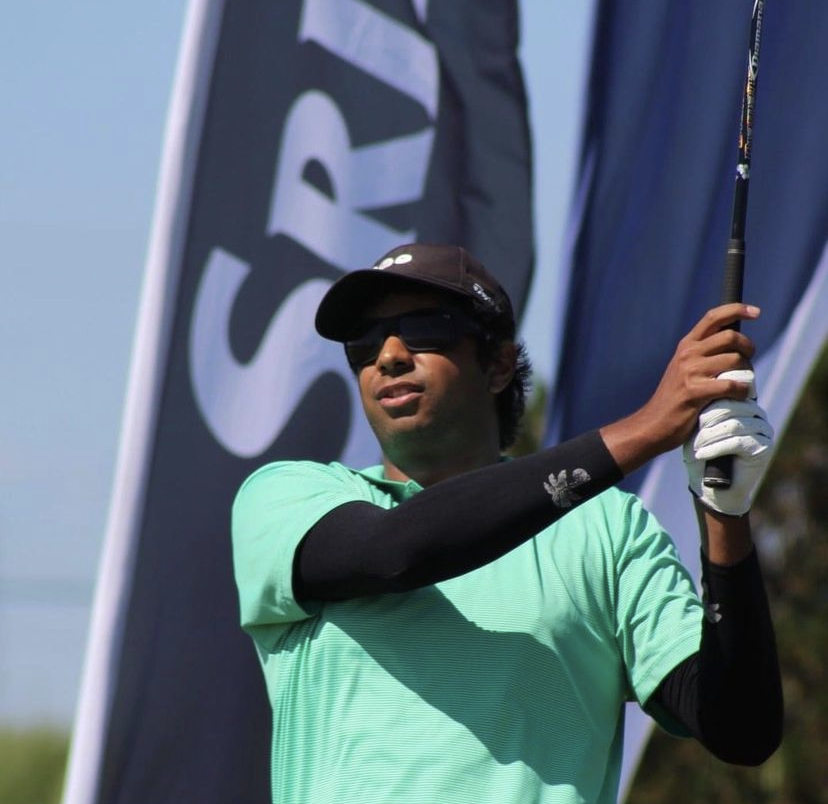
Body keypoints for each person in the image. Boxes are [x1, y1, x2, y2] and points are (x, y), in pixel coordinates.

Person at [231, 243, 782, 804]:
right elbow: (394, 552)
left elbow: (740, 729)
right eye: (365, 343)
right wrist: (647, 428)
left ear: (497, 365)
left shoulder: (607, 527)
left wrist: (724, 516)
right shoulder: (286, 497)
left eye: (425, 329)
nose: (389, 355)